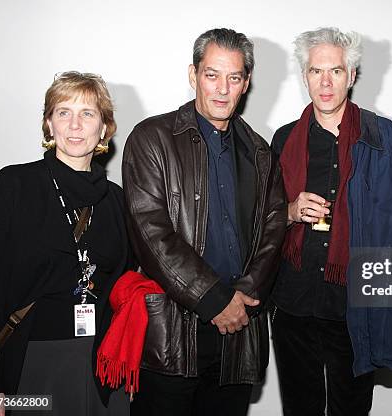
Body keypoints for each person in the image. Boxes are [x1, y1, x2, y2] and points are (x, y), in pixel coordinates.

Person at [270, 27, 392, 416]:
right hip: (292, 302)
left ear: (352, 75)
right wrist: (290, 211)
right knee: (299, 407)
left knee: (351, 408)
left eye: (336, 71)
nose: (325, 83)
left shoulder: (382, 136)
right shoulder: (283, 139)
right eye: (315, 71)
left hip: (354, 307)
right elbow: (258, 217)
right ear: (304, 76)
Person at [122, 28, 286, 416]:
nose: (222, 89)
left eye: (234, 77)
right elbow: (150, 232)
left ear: (246, 83)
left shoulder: (260, 152)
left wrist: (244, 294)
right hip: (172, 338)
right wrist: (215, 300)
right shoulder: (152, 139)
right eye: (212, 74)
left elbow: (274, 227)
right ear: (193, 75)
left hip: (238, 335)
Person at [0, 71, 132, 416]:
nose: (75, 125)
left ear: (104, 129)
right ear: (49, 125)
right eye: (63, 112)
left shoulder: (117, 200)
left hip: (102, 365)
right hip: (29, 364)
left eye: (87, 114)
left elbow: (125, 286)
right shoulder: (13, 185)